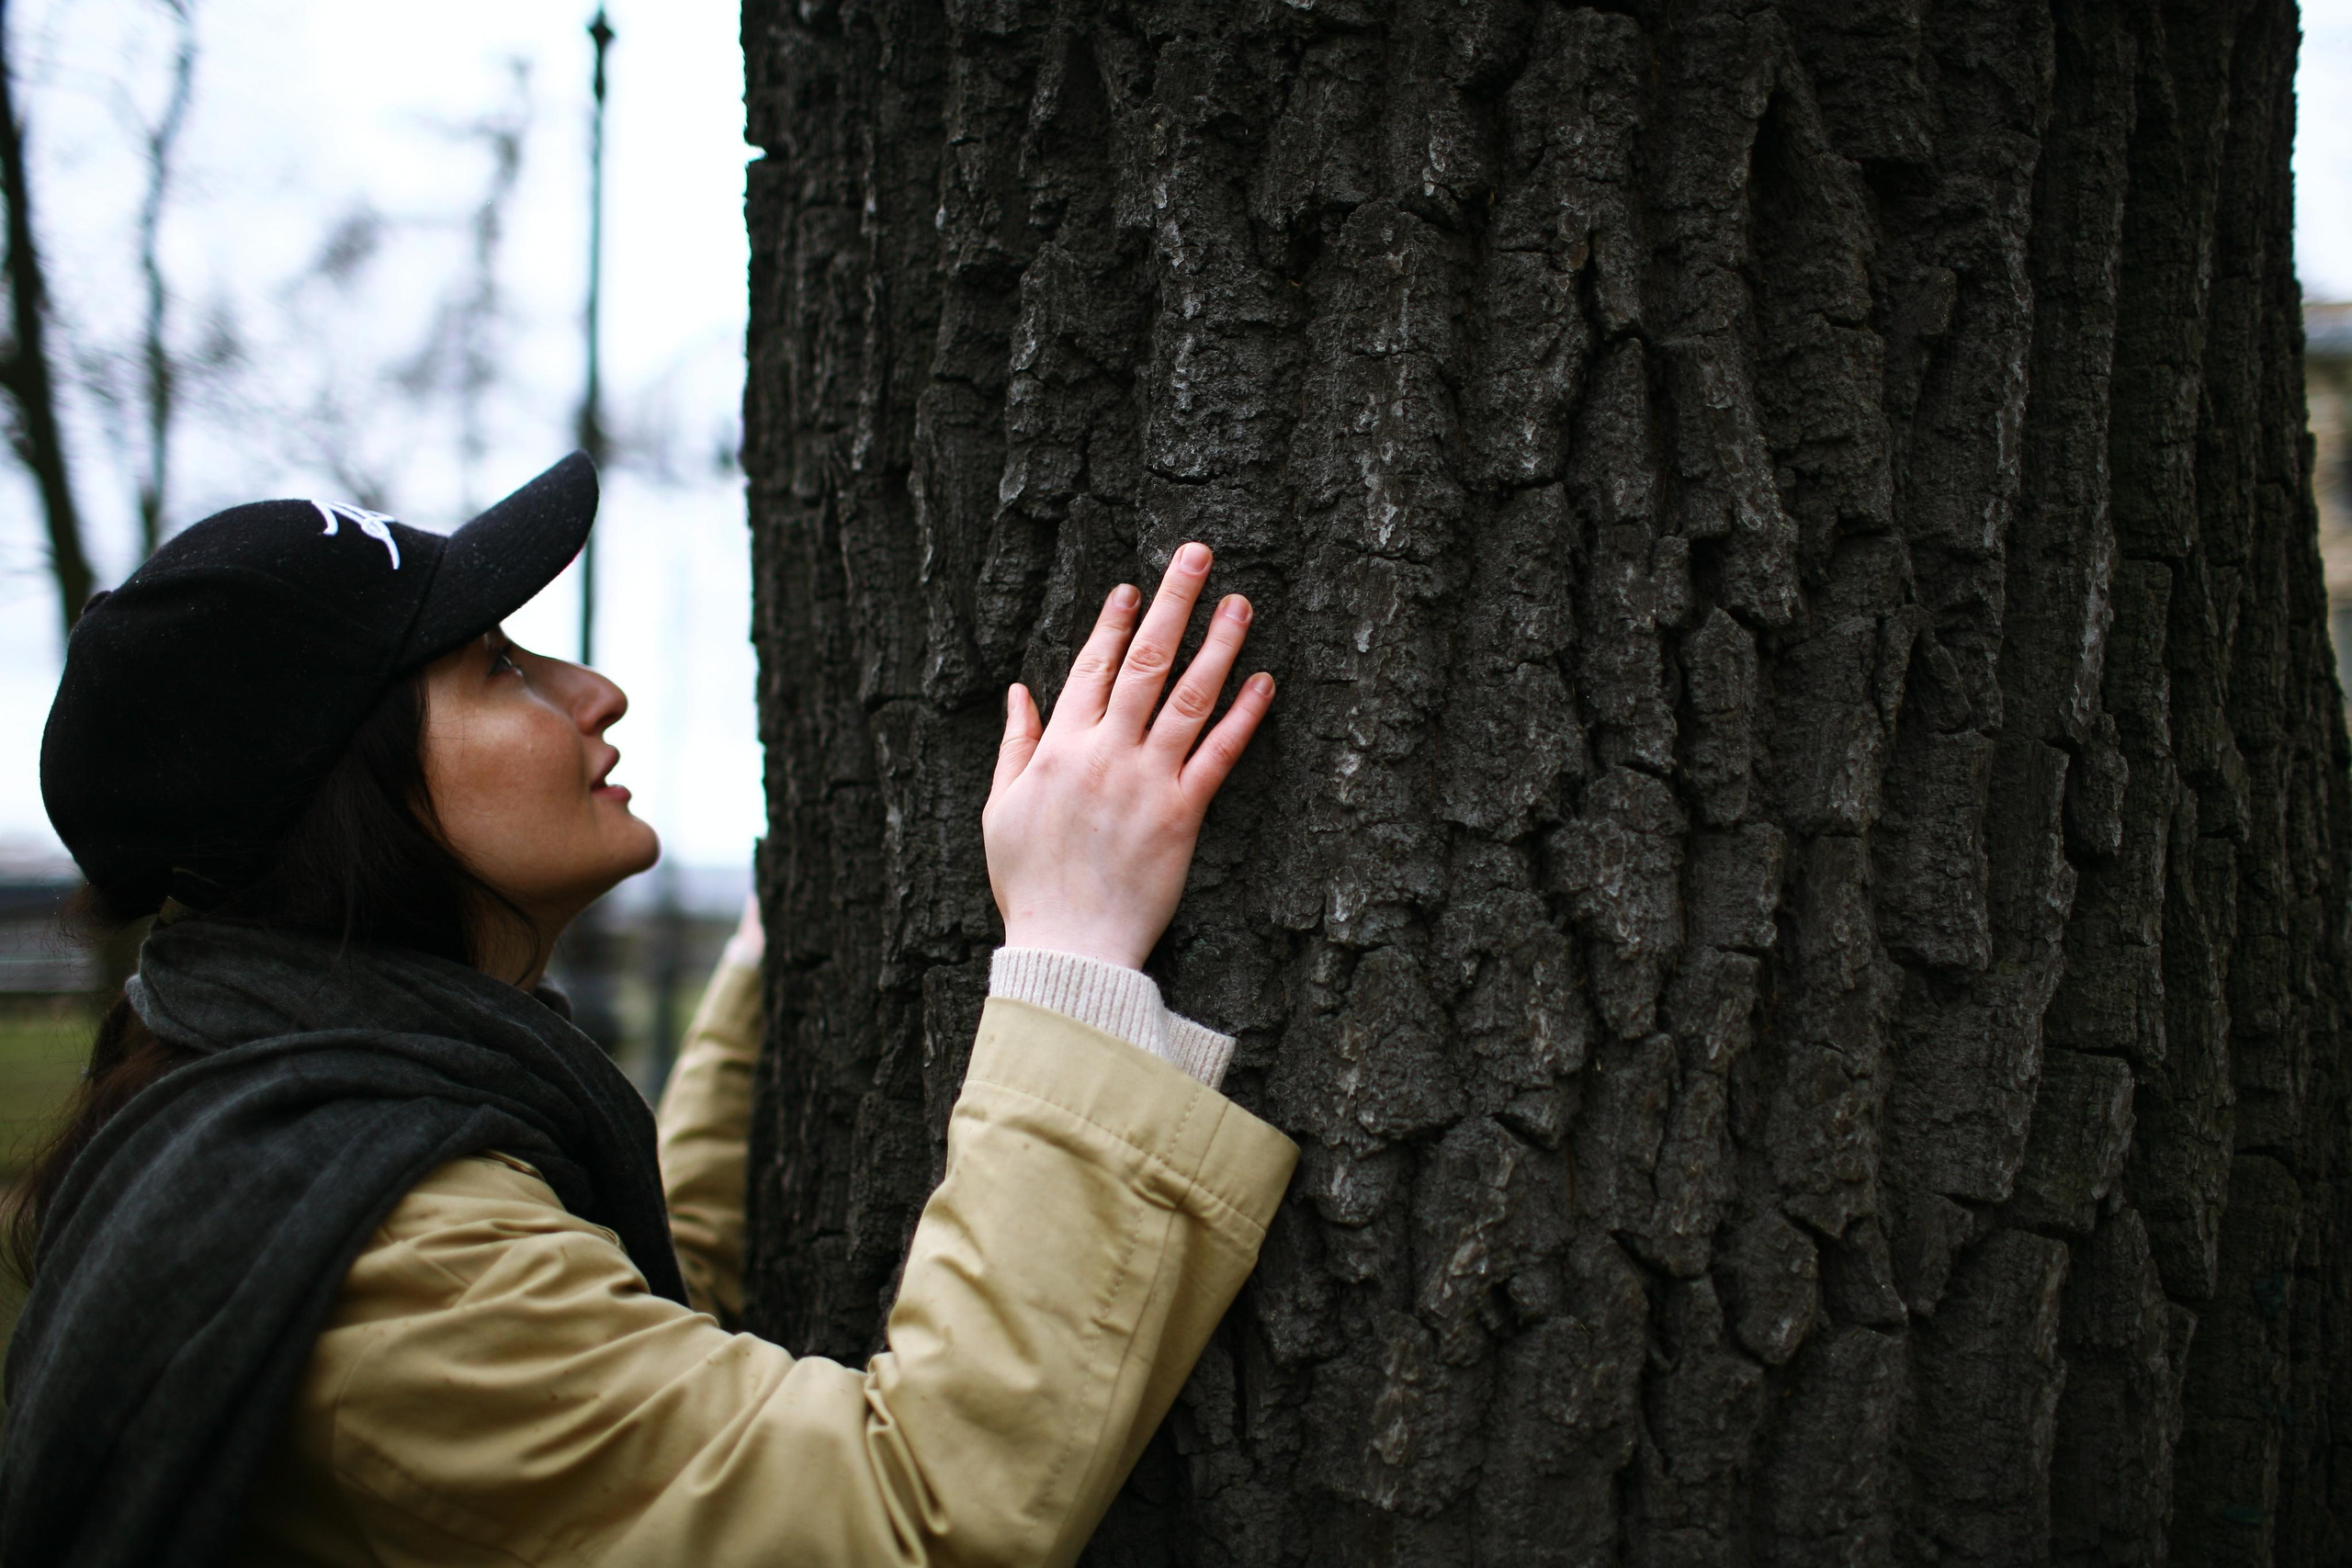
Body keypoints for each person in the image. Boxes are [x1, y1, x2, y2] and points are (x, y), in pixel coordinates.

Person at [1, 453, 1296, 1568]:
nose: (593, 689)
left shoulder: (273, 1114)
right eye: (497, 664)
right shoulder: (390, 1262)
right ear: (349, 789)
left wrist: (760, 973)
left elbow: (630, 1314)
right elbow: (905, 1516)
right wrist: (1073, 952)